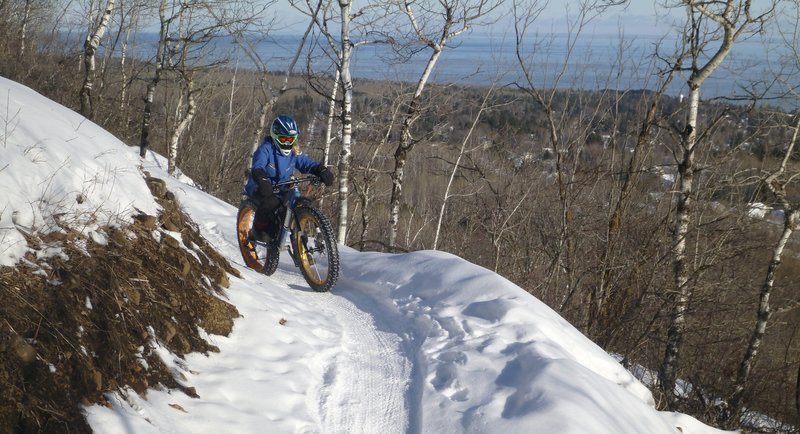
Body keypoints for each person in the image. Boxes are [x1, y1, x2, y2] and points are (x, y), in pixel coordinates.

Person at [244, 115, 334, 243]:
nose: (287, 143)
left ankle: (293, 229)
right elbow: (258, 166)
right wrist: (262, 180)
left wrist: (320, 170)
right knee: (271, 203)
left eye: (291, 139)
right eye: (284, 139)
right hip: (262, 186)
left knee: (293, 203)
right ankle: (258, 229)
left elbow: (305, 163)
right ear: (275, 136)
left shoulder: (293, 151)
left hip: (282, 187)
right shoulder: (266, 149)